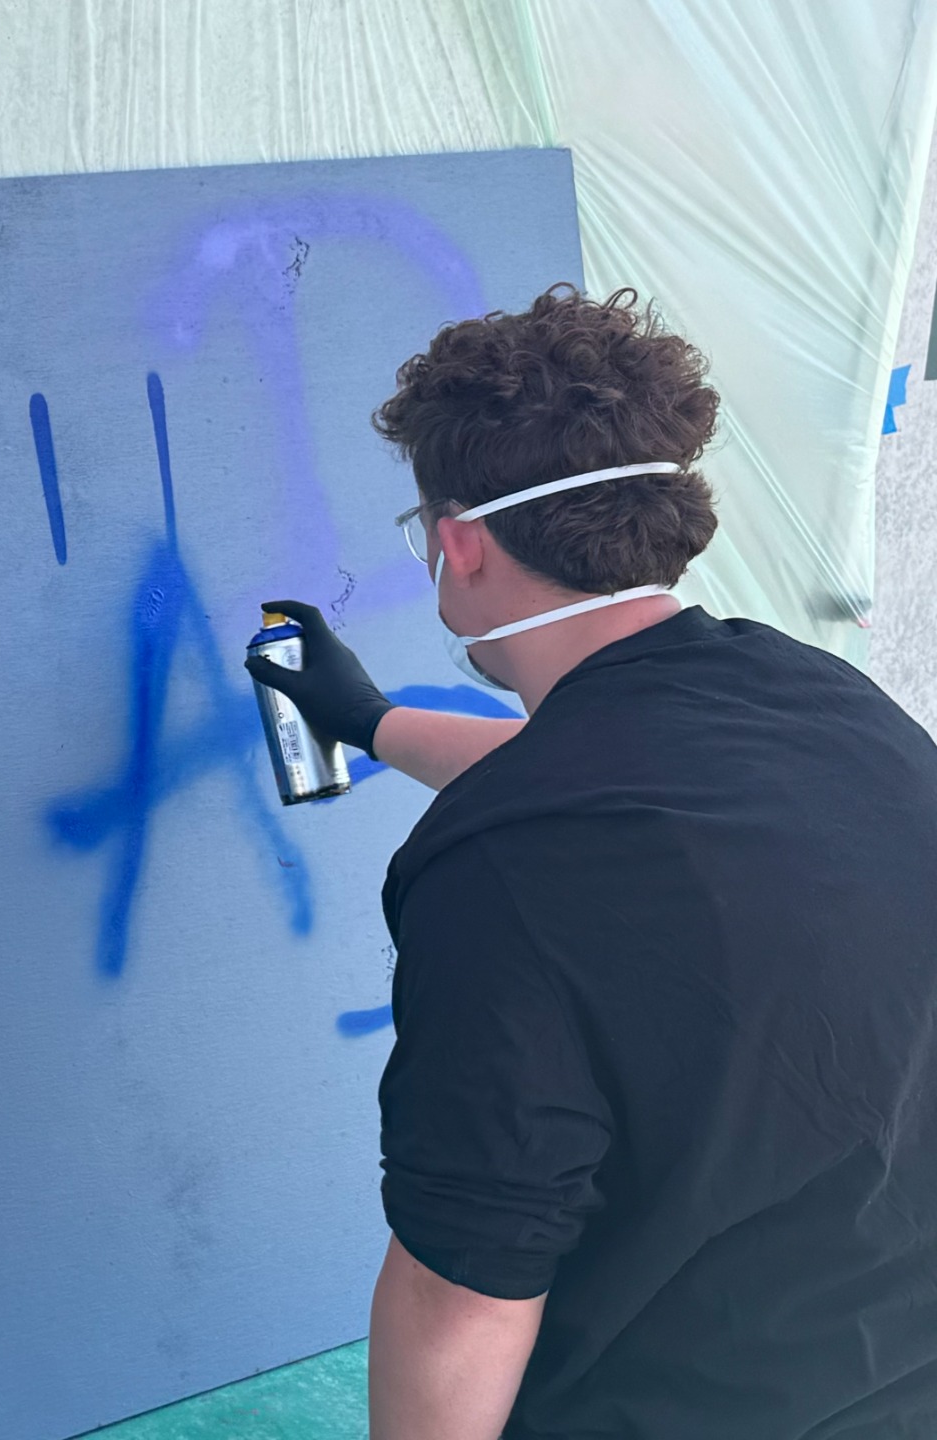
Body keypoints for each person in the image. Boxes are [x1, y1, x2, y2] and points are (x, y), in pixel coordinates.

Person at [249, 286, 937, 1439]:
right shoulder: (826, 704)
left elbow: (462, 1291)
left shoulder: (493, 875)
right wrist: (366, 720)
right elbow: (607, 786)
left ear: (458, 544)